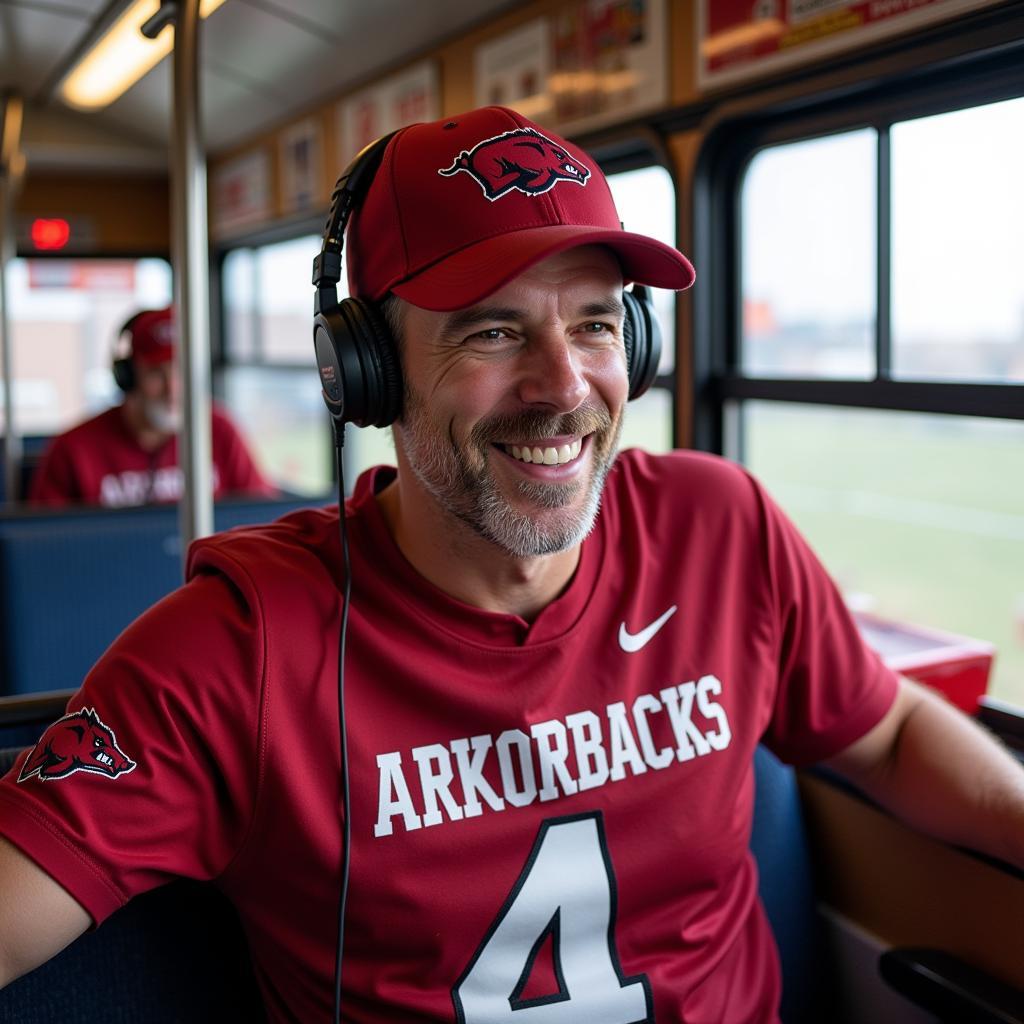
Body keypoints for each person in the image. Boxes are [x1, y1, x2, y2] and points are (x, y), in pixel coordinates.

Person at [0, 106, 1022, 1023]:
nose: (564, 384)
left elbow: (882, 734)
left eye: (595, 322)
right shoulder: (236, 646)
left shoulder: (724, 529)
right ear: (365, 369)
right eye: (493, 329)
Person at [28, 307, 276, 507]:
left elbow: (260, 517)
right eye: (156, 373)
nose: (173, 389)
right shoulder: (73, 448)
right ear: (128, 377)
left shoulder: (219, 430)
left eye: (182, 370)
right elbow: (42, 547)